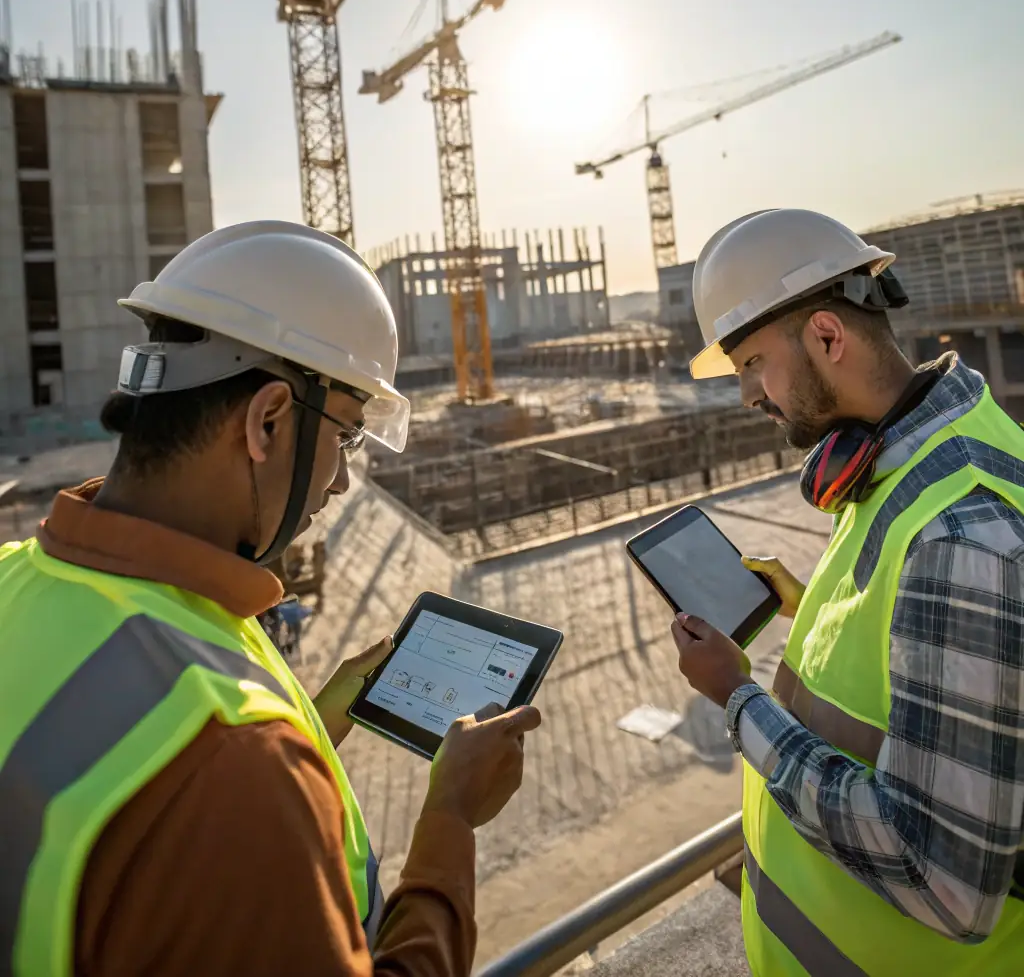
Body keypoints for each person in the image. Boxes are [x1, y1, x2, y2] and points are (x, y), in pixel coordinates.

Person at [0, 220, 541, 977]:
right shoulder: (237, 764)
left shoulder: (19, 576)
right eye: (348, 436)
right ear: (267, 420)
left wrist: (316, 721)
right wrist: (449, 815)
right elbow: (213, 769)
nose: (344, 480)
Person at [670, 208, 1024, 976]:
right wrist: (807, 603)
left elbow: (943, 881)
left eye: (752, 363)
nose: (746, 395)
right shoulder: (908, 459)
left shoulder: (958, 532)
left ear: (828, 336)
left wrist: (738, 698)